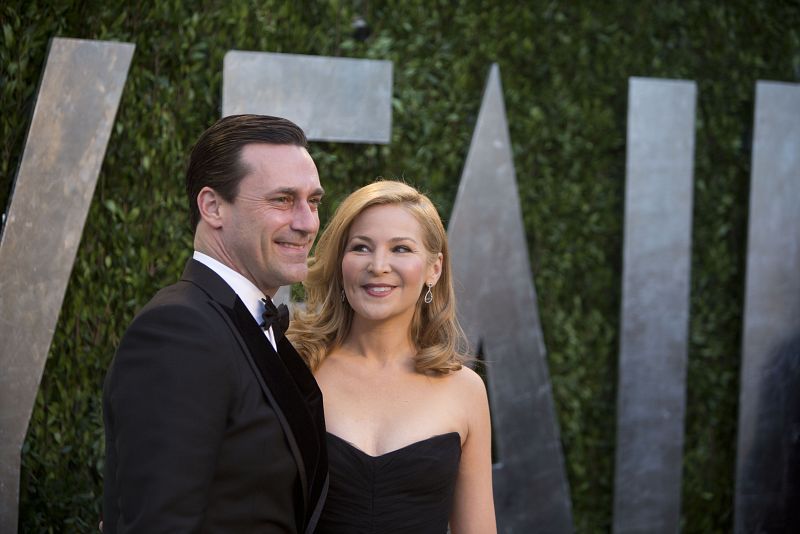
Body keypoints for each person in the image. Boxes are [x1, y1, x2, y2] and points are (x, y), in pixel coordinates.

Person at [102, 114, 328, 533]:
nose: (307, 222)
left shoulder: (244, 320)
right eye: (282, 200)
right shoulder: (179, 331)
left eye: (313, 201)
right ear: (212, 207)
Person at [289, 180, 497, 533]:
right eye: (361, 247)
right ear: (341, 263)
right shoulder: (297, 368)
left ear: (434, 268)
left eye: (400, 248)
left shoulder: (466, 390)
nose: (379, 265)